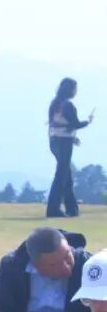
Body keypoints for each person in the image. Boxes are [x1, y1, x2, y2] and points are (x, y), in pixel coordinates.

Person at [0, 228, 92, 312]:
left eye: (67, 256)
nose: (66, 268)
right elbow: (1, 306)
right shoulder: (12, 267)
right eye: (53, 265)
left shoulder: (87, 264)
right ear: (35, 265)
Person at [46, 77, 94, 218]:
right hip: (64, 142)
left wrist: (72, 137)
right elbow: (75, 124)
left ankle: (72, 208)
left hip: (54, 140)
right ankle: (54, 209)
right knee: (61, 175)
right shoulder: (68, 105)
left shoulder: (55, 103)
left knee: (65, 174)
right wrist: (88, 122)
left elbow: (58, 123)